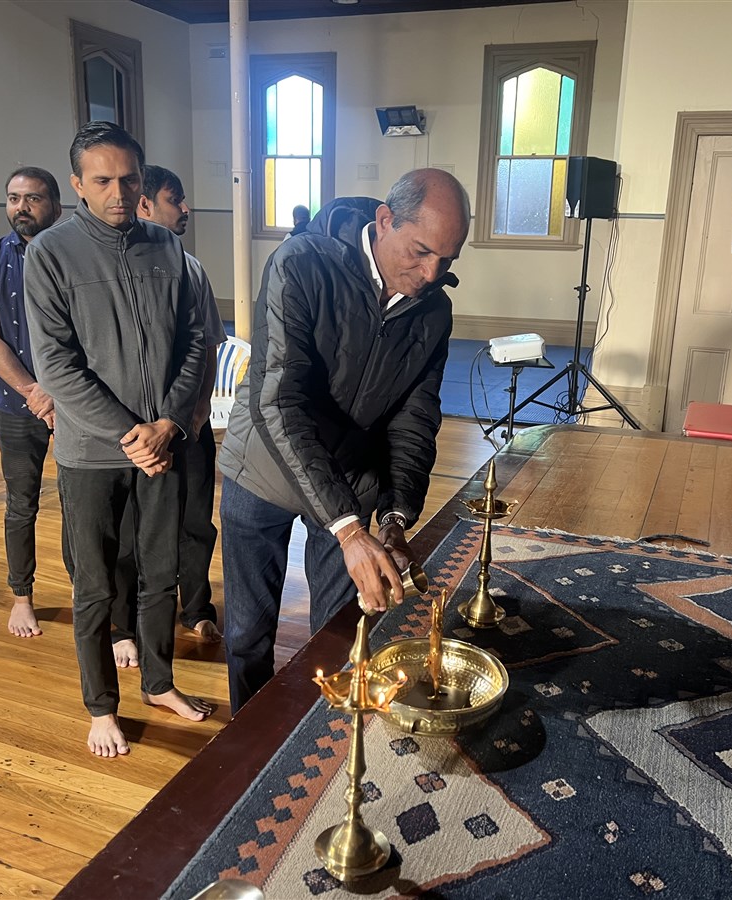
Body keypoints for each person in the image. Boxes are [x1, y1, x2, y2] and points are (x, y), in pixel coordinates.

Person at [217, 168, 470, 712]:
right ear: (384, 221)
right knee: (245, 634)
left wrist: (396, 519)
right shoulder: (301, 264)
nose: (431, 273)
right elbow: (278, 402)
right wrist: (350, 531)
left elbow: (414, 416)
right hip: (262, 468)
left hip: (351, 481)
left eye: (446, 261)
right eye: (421, 251)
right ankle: (246, 749)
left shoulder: (433, 311)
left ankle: (324, 754)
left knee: (339, 638)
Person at [25, 121, 212, 758]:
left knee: (162, 573)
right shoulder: (49, 253)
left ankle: (159, 682)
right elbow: (56, 364)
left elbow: (196, 341)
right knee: (97, 584)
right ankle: (101, 706)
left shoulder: (166, 248)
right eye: (102, 180)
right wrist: (129, 430)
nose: (117, 192)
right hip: (91, 452)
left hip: (162, 444)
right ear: (77, 183)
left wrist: (167, 424)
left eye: (128, 179)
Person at [0, 166, 66, 638]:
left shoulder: (75, 257)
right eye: (13, 198)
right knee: (21, 504)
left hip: (75, 405)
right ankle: (21, 597)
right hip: (17, 403)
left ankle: (89, 595)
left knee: (84, 507)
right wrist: (33, 392)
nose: (21, 206)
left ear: (56, 205)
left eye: (33, 198)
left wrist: (60, 394)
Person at [133, 164, 224, 647]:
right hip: (132, 429)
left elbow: (208, 346)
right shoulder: (114, 271)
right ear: (145, 204)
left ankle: (195, 607)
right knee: (135, 525)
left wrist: (195, 413)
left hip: (186, 423)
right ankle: (130, 617)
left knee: (193, 521)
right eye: (176, 200)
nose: (186, 209)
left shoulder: (191, 269)